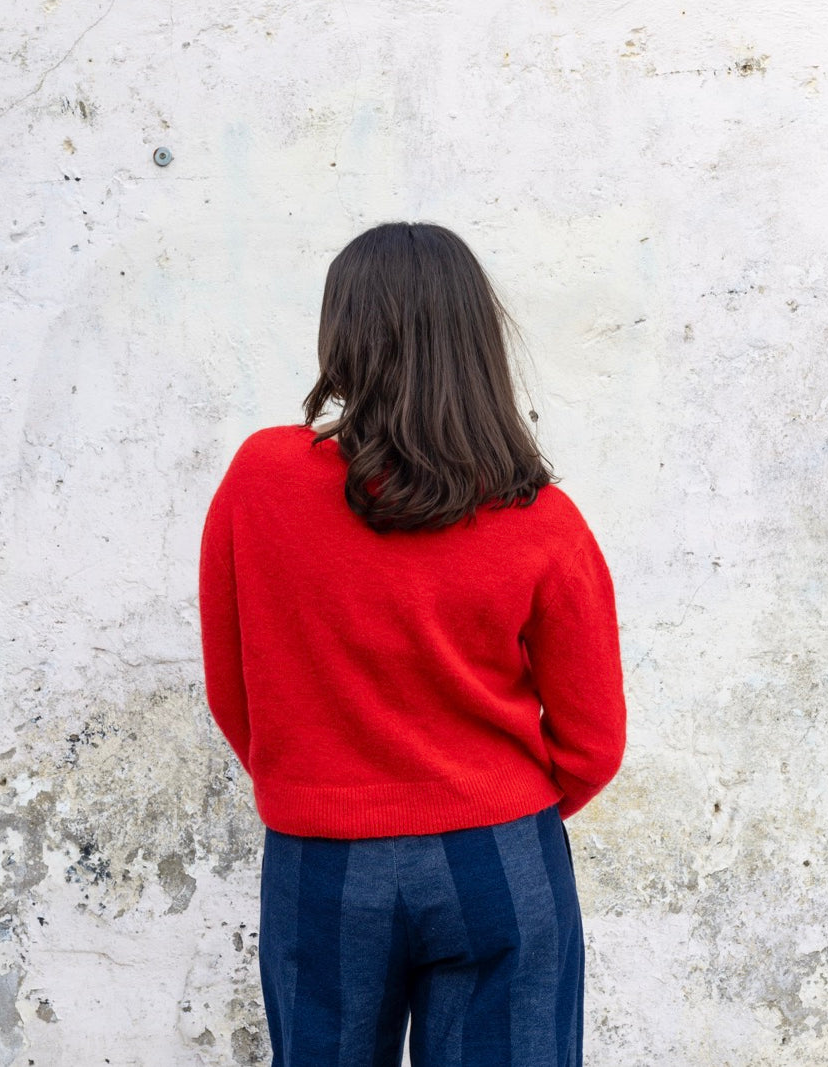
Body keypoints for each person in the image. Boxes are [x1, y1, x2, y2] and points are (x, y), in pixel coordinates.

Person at [198, 221, 627, 1066]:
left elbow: (233, 688)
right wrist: (487, 807)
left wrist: (324, 783)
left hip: (322, 856)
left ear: (344, 336)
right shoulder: (541, 519)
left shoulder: (262, 478)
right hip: (500, 856)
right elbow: (595, 740)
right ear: (476, 342)